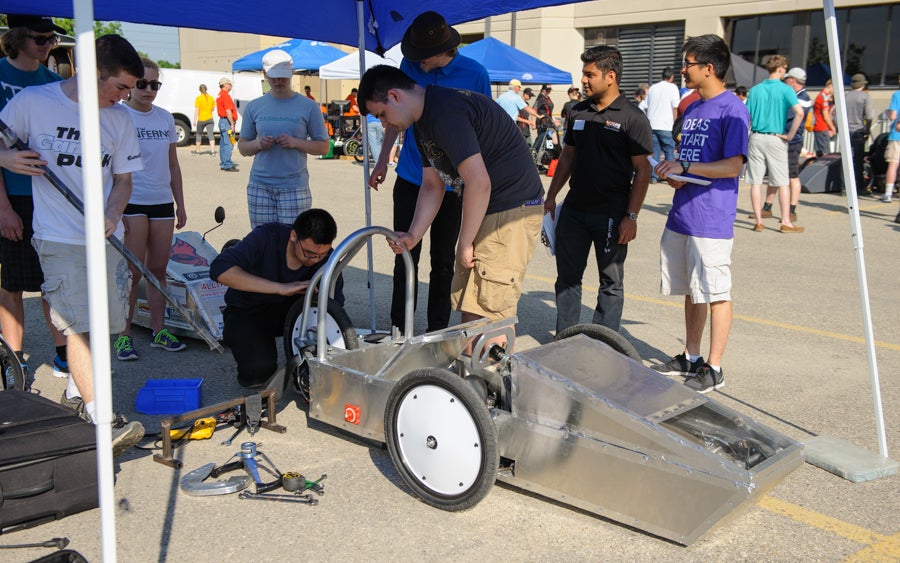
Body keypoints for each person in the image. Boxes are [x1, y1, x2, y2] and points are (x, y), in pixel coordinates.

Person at [0, 34, 146, 455]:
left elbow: (123, 180)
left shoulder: (118, 121)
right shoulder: (35, 102)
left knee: (109, 325)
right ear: (92, 74)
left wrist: (113, 215)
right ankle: (104, 417)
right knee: (78, 327)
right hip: (58, 237)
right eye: (119, 87)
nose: (124, 97)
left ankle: (78, 394)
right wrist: (7, 159)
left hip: (105, 237)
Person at [359, 64, 543, 347]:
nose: (385, 125)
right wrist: (414, 234)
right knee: (472, 305)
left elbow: (479, 182)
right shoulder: (421, 123)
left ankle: (493, 383)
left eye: (382, 115)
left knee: (490, 310)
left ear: (395, 96)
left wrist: (465, 242)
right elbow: (433, 185)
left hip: (510, 211)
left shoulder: (444, 111)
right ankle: (475, 380)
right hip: (489, 208)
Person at [367, 11, 491, 334]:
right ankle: (400, 327)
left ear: (440, 53)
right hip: (412, 176)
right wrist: (383, 160)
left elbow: (483, 127)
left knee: (443, 262)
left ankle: (436, 330)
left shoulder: (475, 74)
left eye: (422, 57)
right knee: (404, 254)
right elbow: (396, 113)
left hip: (452, 185)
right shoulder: (410, 66)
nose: (416, 62)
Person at [650, 34, 750, 393]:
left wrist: (687, 164)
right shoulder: (691, 107)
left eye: (689, 63)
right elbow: (694, 164)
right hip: (683, 213)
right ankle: (691, 357)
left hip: (712, 219)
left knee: (716, 291)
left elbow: (732, 166)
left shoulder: (732, 108)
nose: (683, 70)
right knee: (693, 290)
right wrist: (677, 176)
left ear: (709, 68)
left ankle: (714, 367)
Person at [543, 46, 652, 334]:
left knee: (610, 282)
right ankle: (565, 338)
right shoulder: (578, 111)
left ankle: (604, 345)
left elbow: (643, 170)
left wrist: (632, 216)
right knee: (567, 278)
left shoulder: (633, 118)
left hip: (612, 214)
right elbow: (567, 156)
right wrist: (551, 196)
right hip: (575, 211)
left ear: (611, 76)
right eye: (584, 74)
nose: (584, 80)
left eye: (590, 74)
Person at [0, 14, 68, 389]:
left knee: (50, 279)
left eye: (52, 40)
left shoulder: (52, 83)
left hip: (47, 197)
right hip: (10, 196)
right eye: (41, 39)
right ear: (18, 37)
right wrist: (4, 209)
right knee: (12, 283)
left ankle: (62, 352)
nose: (48, 46)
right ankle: (14, 358)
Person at [210, 209, 342, 388]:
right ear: (294, 235)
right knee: (257, 374)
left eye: (321, 254)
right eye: (309, 253)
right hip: (249, 309)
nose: (314, 259)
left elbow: (334, 313)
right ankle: (249, 342)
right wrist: (280, 288)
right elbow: (219, 270)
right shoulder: (267, 236)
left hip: (292, 314)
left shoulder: (326, 260)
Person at [114, 57, 188, 362]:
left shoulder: (165, 118)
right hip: (131, 201)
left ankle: (160, 331)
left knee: (158, 270)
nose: (148, 90)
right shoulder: (119, 115)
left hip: (160, 202)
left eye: (154, 84)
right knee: (131, 272)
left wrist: (180, 203)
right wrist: (114, 209)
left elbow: (173, 163)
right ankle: (123, 335)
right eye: (142, 84)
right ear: (131, 85)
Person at [237, 49, 330, 228]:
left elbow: (324, 147)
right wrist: (257, 143)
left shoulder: (308, 106)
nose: (279, 81)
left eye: (283, 77)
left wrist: (296, 142)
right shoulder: (254, 106)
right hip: (260, 185)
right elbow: (243, 148)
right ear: (264, 74)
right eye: (274, 77)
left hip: (294, 186)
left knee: (293, 240)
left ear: (292, 74)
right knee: (262, 241)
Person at [745, 55, 804, 233]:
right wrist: (789, 135)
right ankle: (786, 221)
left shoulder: (755, 90)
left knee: (756, 181)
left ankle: (758, 220)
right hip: (775, 137)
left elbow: (746, 117)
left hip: (755, 136)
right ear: (780, 69)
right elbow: (799, 113)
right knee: (782, 181)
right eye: (785, 69)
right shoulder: (786, 89)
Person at [757, 67, 810, 223]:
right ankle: (767, 207)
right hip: (784, 140)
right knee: (775, 174)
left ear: (793, 80)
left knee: (792, 176)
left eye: (787, 79)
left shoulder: (801, 98)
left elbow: (786, 116)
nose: (784, 81)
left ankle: (791, 210)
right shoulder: (796, 95)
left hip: (791, 142)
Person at [645, 67, 681, 183]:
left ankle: (653, 176)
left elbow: (647, 107)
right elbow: (675, 107)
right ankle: (669, 176)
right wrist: (675, 124)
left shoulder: (653, 88)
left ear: (662, 76)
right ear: (671, 77)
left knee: (655, 151)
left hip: (652, 124)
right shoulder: (673, 87)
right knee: (669, 151)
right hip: (666, 125)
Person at [845, 73, 874, 194]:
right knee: (858, 160)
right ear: (863, 84)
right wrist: (867, 130)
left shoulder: (845, 96)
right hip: (858, 131)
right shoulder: (864, 97)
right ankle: (858, 187)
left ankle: (843, 187)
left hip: (846, 131)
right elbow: (869, 116)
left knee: (846, 159)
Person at [882, 75, 900, 208]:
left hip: (896, 134)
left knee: (893, 164)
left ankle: (888, 193)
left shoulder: (896, 95)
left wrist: (888, 113)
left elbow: (893, 116)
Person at [216, 76, 239, 172]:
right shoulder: (225, 96)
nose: (231, 86)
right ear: (225, 85)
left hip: (222, 121)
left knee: (223, 143)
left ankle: (223, 162)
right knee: (229, 143)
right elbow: (228, 110)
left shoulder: (219, 95)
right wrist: (232, 124)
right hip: (227, 122)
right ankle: (227, 164)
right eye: (230, 84)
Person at [812, 79, 836, 157]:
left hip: (817, 127)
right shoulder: (824, 97)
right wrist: (832, 128)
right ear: (830, 86)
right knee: (826, 154)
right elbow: (826, 116)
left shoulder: (819, 95)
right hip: (822, 128)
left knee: (818, 153)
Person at [193, 84, 216, 155]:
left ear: (200, 90)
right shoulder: (211, 98)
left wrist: (194, 120)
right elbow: (213, 109)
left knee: (199, 134)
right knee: (210, 134)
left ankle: (197, 151)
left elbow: (197, 110)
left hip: (201, 119)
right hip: (209, 119)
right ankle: (212, 151)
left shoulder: (198, 98)